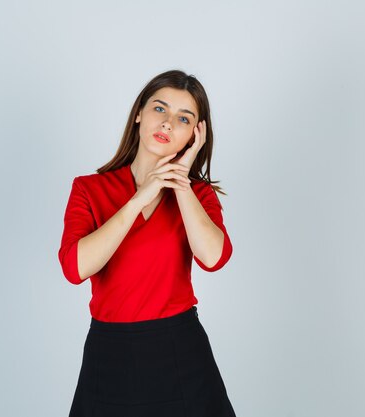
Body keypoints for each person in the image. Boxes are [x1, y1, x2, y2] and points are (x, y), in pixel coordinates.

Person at [58, 69, 237, 417]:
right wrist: (140, 198)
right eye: (160, 109)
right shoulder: (88, 189)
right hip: (109, 355)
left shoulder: (197, 196)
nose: (168, 123)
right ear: (139, 113)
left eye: (184, 118)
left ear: (194, 136)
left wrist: (181, 184)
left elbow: (214, 257)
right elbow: (75, 268)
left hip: (180, 352)